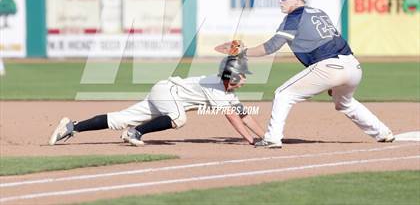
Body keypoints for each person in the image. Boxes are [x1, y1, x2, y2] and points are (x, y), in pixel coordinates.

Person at [215, 0, 394, 148]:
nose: (280, 1)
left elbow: (271, 47)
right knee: (345, 103)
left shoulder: (295, 16)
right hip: (353, 66)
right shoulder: (318, 12)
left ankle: (272, 138)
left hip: (330, 66)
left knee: (283, 94)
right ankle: (383, 132)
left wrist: (241, 52)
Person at [49, 56, 265, 146]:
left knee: (120, 119)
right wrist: (251, 141)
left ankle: (71, 126)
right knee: (179, 118)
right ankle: (136, 133)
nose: (245, 78)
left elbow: (243, 115)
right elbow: (233, 118)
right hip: (168, 94)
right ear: (231, 75)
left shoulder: (227, 92)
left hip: (165, 93)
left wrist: (266, 137)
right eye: (242, 74)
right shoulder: (217, 90)